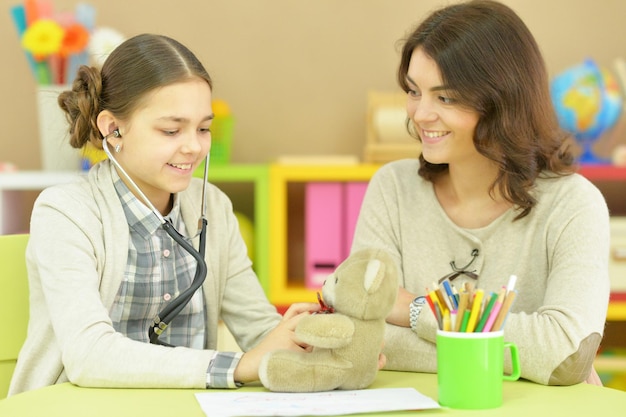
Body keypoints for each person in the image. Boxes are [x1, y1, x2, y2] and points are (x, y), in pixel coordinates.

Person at [9, 33, 322, 395]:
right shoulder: (65, 213)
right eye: (171, 130)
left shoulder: (213, 208)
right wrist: (238, 364)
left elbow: (260, 331)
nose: (193, 146)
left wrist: (303, 341)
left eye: (204, 128)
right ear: (113, 129)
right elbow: (88, 354)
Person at [350, 0, 610, 386]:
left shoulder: (574, 204)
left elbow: (565, 355)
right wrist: (516, 354)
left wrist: (417, 312)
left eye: (446, 97)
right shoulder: (393, 188)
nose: (420, 114)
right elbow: (360, 337)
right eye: (413, 91)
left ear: (502, 102)